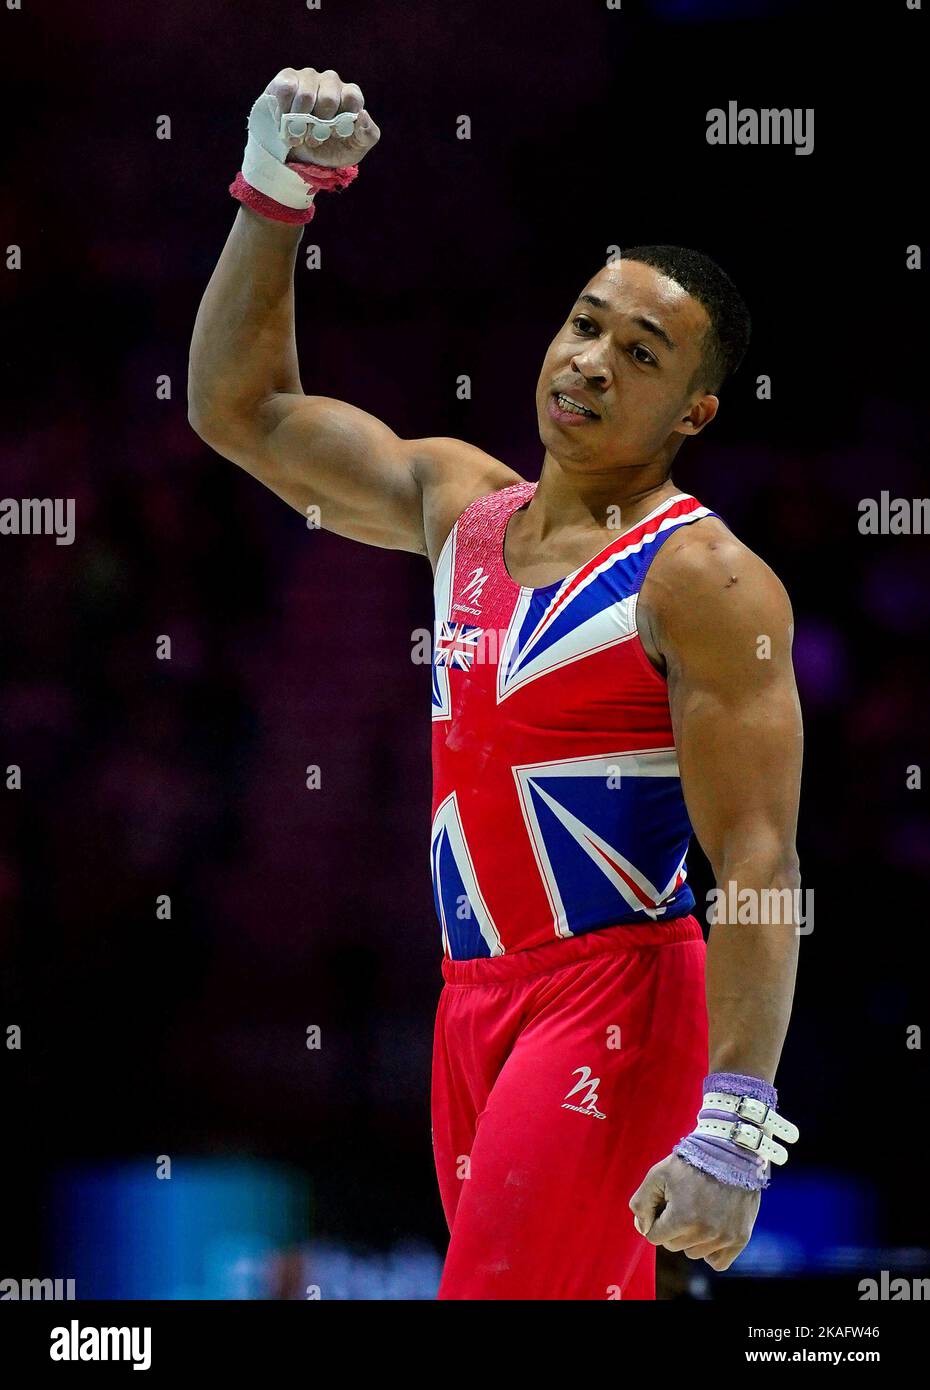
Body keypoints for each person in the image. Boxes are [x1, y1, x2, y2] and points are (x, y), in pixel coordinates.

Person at [189, 66, 803, 1301]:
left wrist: (736, 1113)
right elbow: (241, 411)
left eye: (640, 353)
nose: (589, 361)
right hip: (471, 1005)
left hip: (618, 1003)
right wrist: (273, 196)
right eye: (584, 323)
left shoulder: (704, 580)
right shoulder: (458, 505)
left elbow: (756, 862)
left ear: (695, 411)